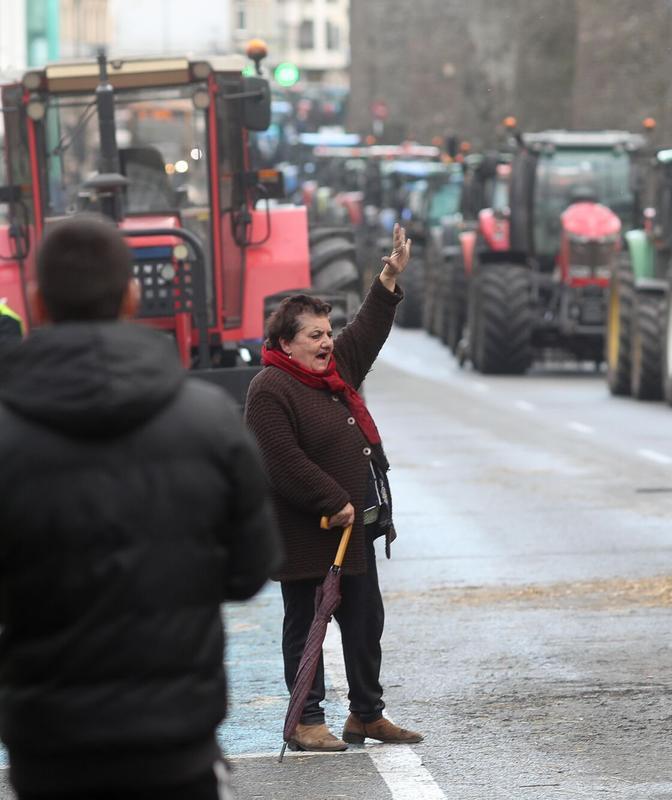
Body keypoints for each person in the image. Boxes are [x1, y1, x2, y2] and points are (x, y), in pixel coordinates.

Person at [0, 215, 281, 799]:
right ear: (131, 296)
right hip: (177, 742)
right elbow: (251, 570)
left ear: (36, 302)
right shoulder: (210, 422)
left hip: (49, 748)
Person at [245, 223, 422, 753]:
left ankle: (367, 715)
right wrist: (334, 500)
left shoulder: (333, 371)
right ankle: (306, 720)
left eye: (327, 332)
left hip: (352, 532)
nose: (327, 342)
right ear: (285, 344)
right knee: (308, 629)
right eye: (315, 336)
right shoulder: (269, 389)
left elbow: (366, 329)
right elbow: (281, 461)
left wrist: (388, 277)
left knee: (365, 623)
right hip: (308, 534)